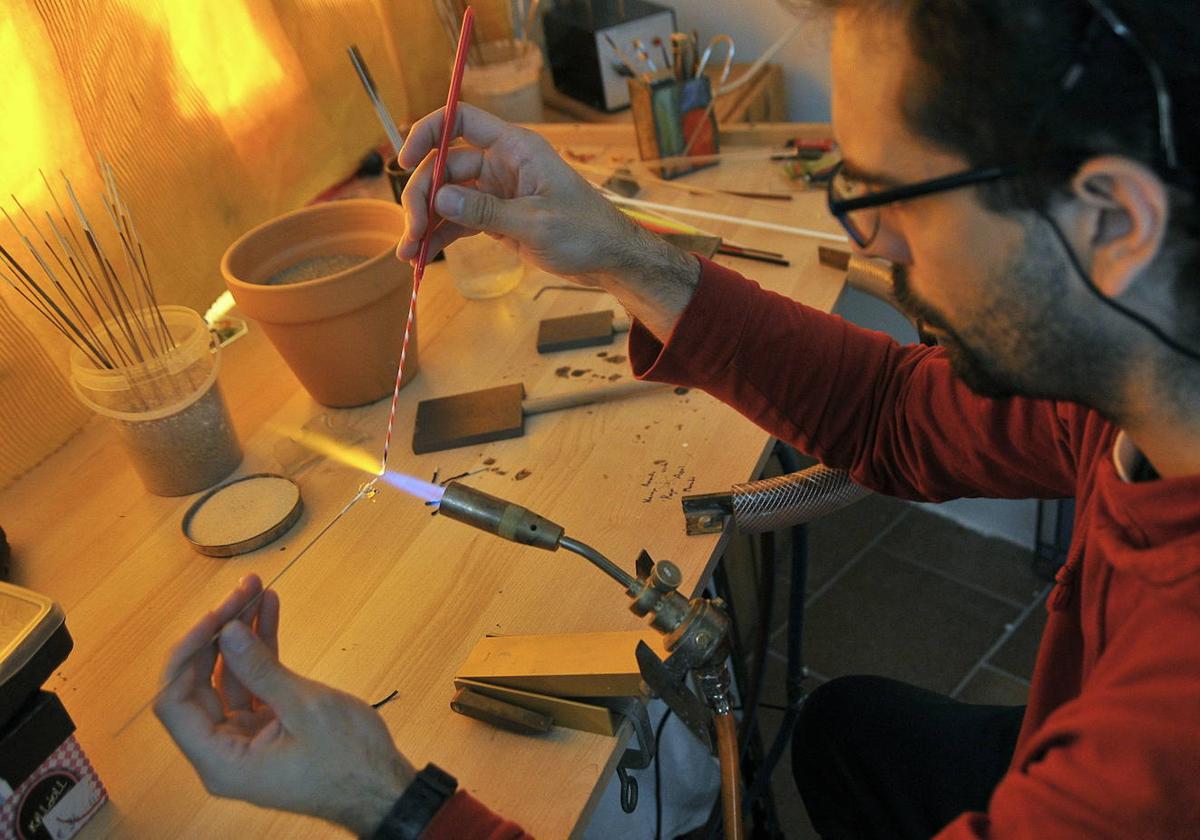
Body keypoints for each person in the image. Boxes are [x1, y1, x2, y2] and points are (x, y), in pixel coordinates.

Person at [157, 0, 1200, 836]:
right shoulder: (1144, 378)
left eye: (894, 195)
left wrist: (386, 800)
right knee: (846, 733)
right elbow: (894, 413)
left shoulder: (1150, 758)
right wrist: (620, 254)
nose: (871, 242)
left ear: (1112, 216)